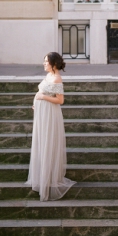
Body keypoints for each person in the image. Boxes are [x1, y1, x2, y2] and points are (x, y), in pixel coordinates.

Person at [25, 51, 75, 201]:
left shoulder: (57, 78)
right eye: (44, 61)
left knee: (48, 143)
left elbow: (60, 100)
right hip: (42, 114)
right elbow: (42, 91)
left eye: (46, 61)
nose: (44, 63)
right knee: (42, 142)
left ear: (53, 64)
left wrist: (42, 97)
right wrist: (36, 103)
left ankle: (48, 179)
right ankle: (41, 176)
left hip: (50, 115)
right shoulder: (49, 76)